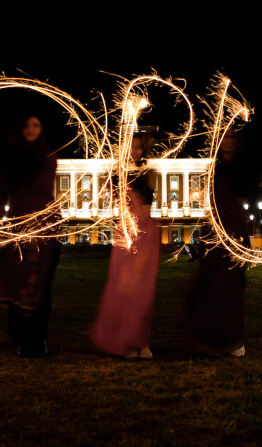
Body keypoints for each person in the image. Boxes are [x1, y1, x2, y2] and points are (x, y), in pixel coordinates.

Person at [0, 114, 61, 357]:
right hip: (17, 225)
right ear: (20, 128)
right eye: (27, 124)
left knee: (42, 285)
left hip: (44, 226)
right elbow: (0, 194)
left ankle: (40, 337)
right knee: (17, 282)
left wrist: (40, 227)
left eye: (36, 124)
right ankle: (21, 338)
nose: (31, 129)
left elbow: (41, 190)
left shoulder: (49, 158)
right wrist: (0, 227)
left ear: (42, 128)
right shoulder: (9, 159)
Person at [182, 128, 252, 358]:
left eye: (233, 136)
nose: (228, 141)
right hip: (214, 229)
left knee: (232, 282)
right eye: (225, 136)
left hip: (233, 228)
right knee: (212, 282)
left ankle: (233, 340)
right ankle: (209, 337)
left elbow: (242, 198)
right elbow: (207, 198)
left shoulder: (242, 165)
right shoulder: (212, 167)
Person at [91, 132, 159, 359]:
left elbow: (151, 192)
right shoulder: (118, 173)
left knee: (144, 289)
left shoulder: (149, 171)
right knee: (126, 286)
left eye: (139, 147)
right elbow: (106, 187)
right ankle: (126, 340)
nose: (135, 151)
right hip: (127, 232)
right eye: (131, 147)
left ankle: (142, 340)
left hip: (147, 232)